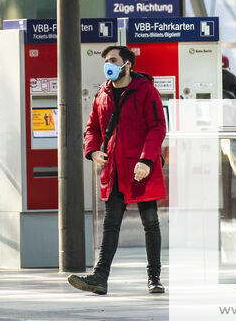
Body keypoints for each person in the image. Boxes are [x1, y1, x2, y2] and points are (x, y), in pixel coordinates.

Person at [68, 45, 167, 296]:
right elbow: (92, 128)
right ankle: (100, 278)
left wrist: (146, 161)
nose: (108, 65)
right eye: (106, 61)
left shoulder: (146, 91)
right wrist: (92, 151)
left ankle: (154, 278)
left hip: (141, 169)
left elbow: (157, 127)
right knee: (111, 224)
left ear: (127, 65)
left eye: (113, 60)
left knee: (150, 223)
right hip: (114, 170)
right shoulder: (102, 94)